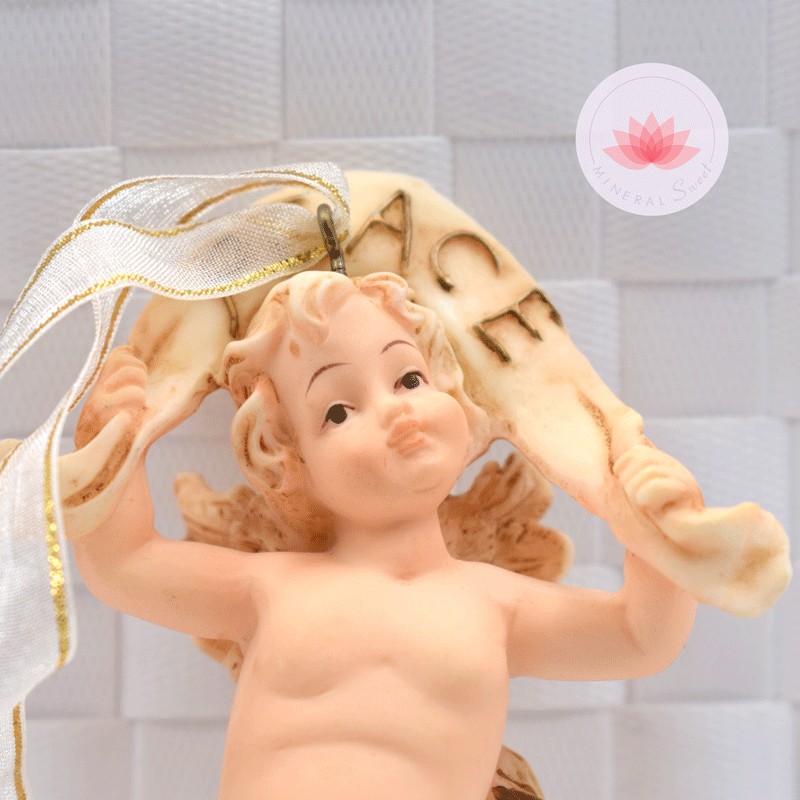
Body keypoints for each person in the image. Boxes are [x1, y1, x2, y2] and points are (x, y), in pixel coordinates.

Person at [71, 269, 696, 800]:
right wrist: (112, 443)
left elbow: (640, 637)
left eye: (409, 379)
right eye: (338, 411)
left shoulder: (496, 603)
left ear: (452, 391)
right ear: (292, 459)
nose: (395, 410)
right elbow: (123, 564)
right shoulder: (270, 587)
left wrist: (659, 527)